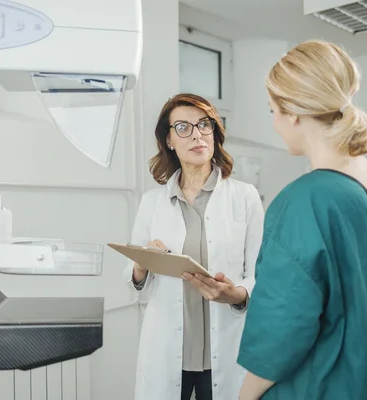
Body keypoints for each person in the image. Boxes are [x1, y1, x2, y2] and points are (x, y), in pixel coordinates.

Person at [237, 40, 367, 400]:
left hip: (314, 387)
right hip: (366, 379)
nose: (275, 123)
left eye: (272, 110)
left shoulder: (302, 200)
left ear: (292, 112)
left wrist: (244, 396)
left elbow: (281, 332)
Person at [123, 93, 264, 400]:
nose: (197, 134)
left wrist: (237, 294)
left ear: (215, 132)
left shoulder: (245, 197)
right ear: (169, 139)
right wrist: (140, 265)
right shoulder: (151, 202)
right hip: (169, 351)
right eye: (183, 128)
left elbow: (260, 273)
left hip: (225, 349)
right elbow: (135, 284)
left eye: (204, 125)